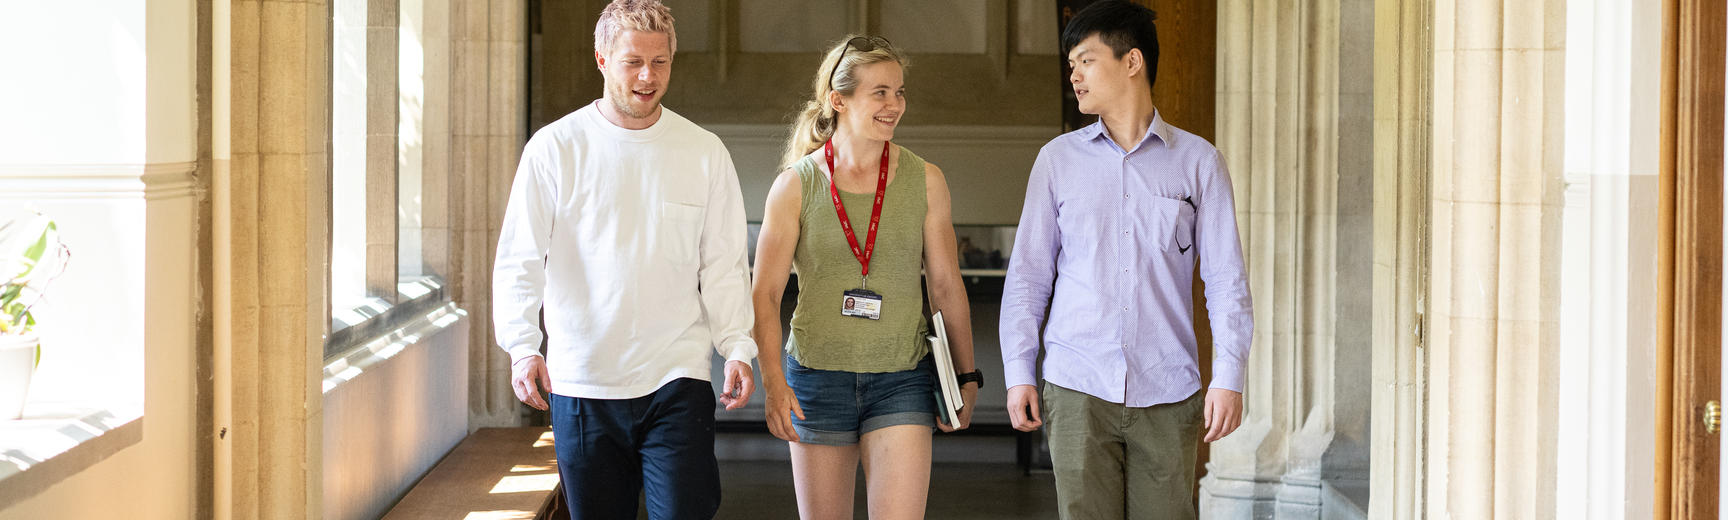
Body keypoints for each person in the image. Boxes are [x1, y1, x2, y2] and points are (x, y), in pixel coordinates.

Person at [491, 1, 757, 518]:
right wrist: (522, 346)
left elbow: (723, 265)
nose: (647, 76)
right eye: (633, 61)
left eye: (660, 62)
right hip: (583, 377)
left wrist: (737, 347)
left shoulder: (704, 152)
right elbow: (520, 256)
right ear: (601, 59)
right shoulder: (554, 148)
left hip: (678, 376)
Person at [999, 2, 1253, 519]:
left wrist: (1229, 376)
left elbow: (1226, 281)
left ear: (1132, 61)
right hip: (1077, 387)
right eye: (1071, 64)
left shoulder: (1199, 162)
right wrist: (1019, 370)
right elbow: (1028, 277)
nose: (1074, 75)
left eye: (1086, 60)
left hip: (1168, 389)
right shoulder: (1057, 161)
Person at [750, 35, 983, 520]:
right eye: (880, 93)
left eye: (899, 92)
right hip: (816, 379)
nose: (894, 105)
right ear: (838, 100)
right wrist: (773, 382)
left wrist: (966, 375)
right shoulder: (795, 185)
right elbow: (765, 294)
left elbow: (945, 286)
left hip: (902, 377)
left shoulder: (926, 180)